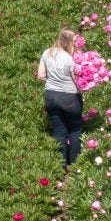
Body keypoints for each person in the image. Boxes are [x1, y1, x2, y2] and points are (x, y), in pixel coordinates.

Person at [37, 27, 86, 169]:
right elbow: (76, 81)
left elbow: (40, 75)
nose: (77, 43)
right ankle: (75, 163)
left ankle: (61, 163)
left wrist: (53, 80)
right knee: (75, 130)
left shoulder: (47, 53)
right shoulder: (70, 59)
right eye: (75, 40)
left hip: (51, 95)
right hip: (69, 97)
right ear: (69, 40)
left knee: (59, 131)